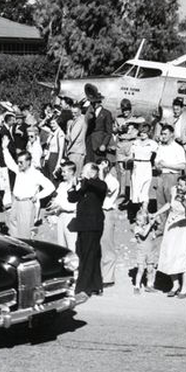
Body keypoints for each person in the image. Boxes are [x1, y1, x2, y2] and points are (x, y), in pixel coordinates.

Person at [157, 174, 186, 299]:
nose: (179, 187)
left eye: (182, 185)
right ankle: (175, 284)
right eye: (178, 184)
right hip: (171, 224)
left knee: (183, 256)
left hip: (184, 227)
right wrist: (156, 213)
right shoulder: (174, 190)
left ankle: (185, 287)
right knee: (170, 253)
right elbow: (169, 204)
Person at [67, 162, 107, 296]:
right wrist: (72, 186)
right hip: (83, 225)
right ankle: (96, 285)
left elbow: (99, 187)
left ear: (92, 172)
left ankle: (84, 287)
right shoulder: (85, 186)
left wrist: (86, 179)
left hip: (93, 224)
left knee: (89, 254)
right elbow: (72, 198)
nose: (82, 172)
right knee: (88, 253)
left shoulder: (99, 184)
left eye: (85, 170)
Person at [1, 142, 55, 239]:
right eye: (18, 162)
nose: (19, 164)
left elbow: (50, 187)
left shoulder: (36, 174)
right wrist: (5, 149)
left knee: (25, 232)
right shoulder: (19, 170)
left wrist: (38, 196)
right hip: (16, 202)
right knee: (12, 226)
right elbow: (10, 163)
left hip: (27, 204)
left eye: (21, 162)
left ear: (28, 161)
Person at [97, 157, 122, 287]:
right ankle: (99, 274)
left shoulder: (112, 181)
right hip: (96, 212)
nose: (101, 167)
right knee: (98, 244)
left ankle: (108, 277)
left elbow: (103, 189)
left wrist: (100, 174)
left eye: (104, 165)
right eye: (99, 165)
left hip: (107, 212)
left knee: (107, 244)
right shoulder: (96, 179)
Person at [129, 123, 158, 215]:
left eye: (144, 132)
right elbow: (131, 155)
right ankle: (138, 212)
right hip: (136, 166)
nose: (142, 134)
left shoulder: (153, 144)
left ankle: (144, 212)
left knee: (144, 190)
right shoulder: (135, 143)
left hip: (146, 166)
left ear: (149, 132)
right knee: (136, 190)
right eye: (141, 132)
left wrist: (155, 165)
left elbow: (157, 156)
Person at [85, 89, 114, 163]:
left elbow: (109, 132)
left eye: (93, 102)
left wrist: (104, 144)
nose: (91, 104)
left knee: (98, 164)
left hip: (99, 144)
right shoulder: (89, 113)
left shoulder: (106, 113)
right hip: (88, 143)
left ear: (98, 102)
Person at [169, 97, 186, 168]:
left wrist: (183, 139)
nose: (175, 111)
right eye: (174, 109)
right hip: (173, 147)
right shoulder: (170, 119)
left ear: (182, 109)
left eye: (177, 109)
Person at [65, 103, 87, 173]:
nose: (73, 114)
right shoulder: (79, 120)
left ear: (80, 111)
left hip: (76, 152)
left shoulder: (79, 121)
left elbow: (71, 138)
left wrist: (67, 130)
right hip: (76, 152)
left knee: (74, 175)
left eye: (75, 113)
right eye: (72, 112)